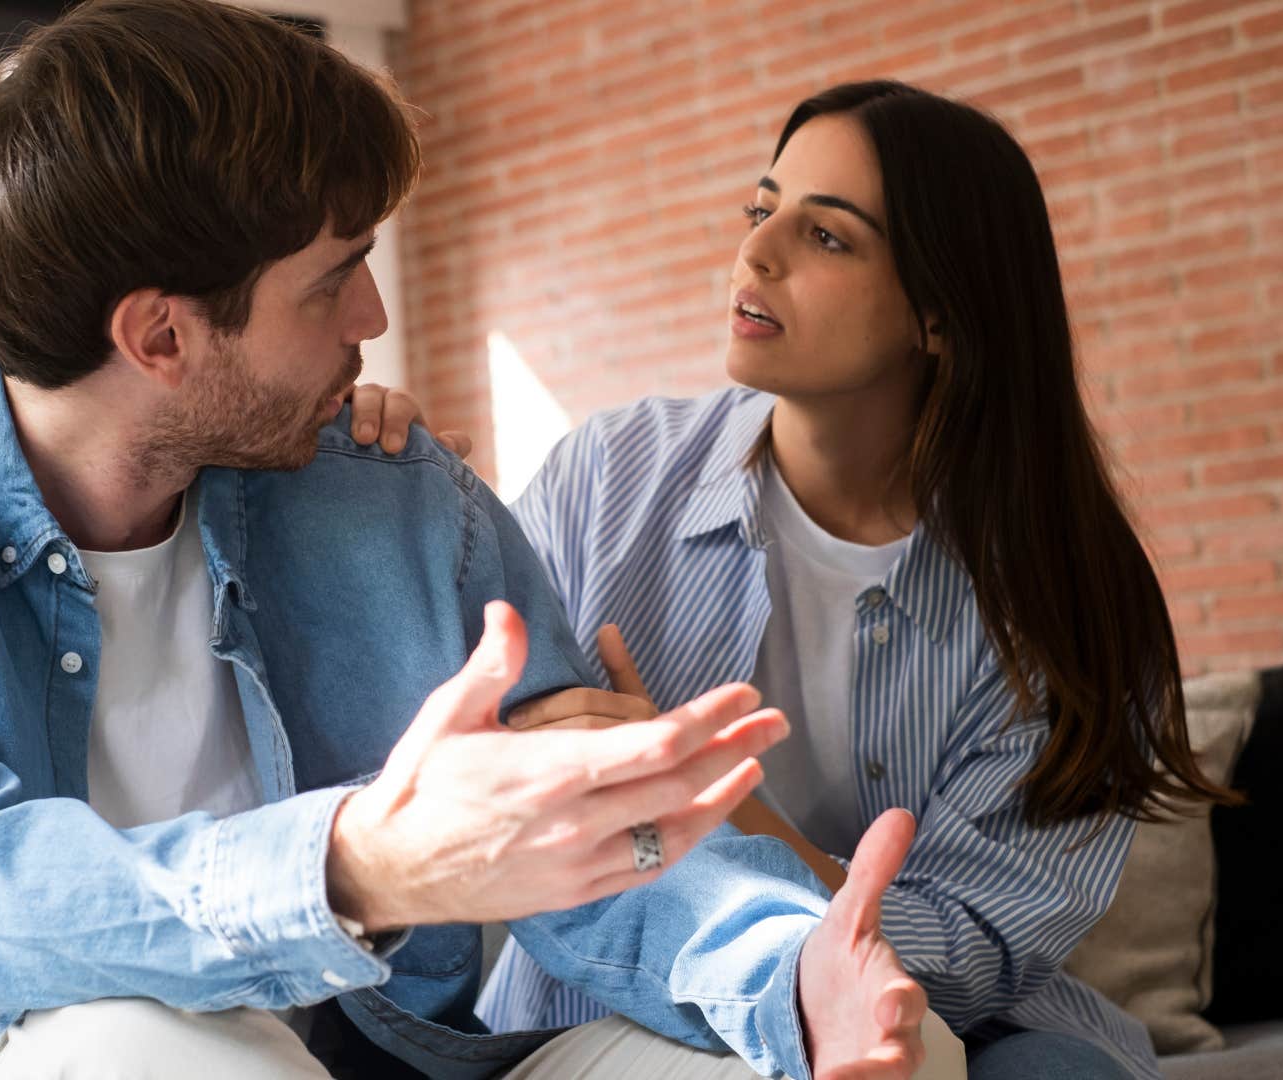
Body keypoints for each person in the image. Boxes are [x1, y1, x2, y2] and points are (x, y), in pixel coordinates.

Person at [0, 8, 938, 1078]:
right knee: (158, 1048)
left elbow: (588, 831)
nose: (377, 316)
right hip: (37, 1052)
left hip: (386, 1058)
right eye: (333, 279)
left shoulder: (383, 488)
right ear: (162, 340)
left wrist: (789, 970)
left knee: (874, 1046)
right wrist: (366, 864)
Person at [475, 81, 1237, 1080]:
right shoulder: (608, 479)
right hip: (611, 1006)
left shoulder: (1066, 595)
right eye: (763, 209)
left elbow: (960, 962)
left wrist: (712, 805)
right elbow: (480, 785)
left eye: (827, 237)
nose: (756, 252)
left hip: (949, 1023)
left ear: (939, 314)